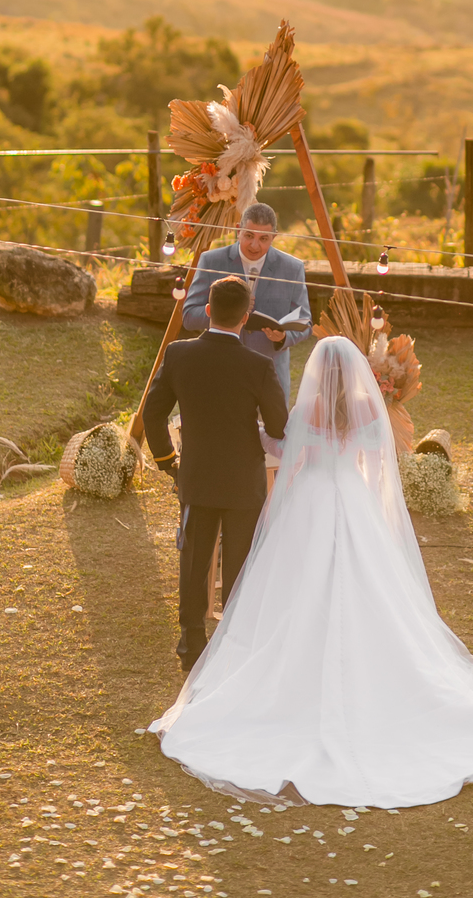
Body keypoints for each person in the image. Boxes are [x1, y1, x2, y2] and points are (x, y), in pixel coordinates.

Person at [150, 335, 473, 808]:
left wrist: (262, 455)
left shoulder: (308, 411)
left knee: (300, 586)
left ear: (318, 371)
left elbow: (288, 457)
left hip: (310, 502)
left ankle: (299, 661)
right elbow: (380, 471)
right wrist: (373, 510)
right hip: (354, 502)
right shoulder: (368, 412)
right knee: (368, 588)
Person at [143, 274, 288, 675]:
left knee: (194, 561)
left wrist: (168, 461)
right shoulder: (259, 366)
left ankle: (191, 644)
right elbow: (278, 426)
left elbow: (152, 414)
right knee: (240, 565)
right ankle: (234, 645)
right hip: (244, 482)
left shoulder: (178, 354)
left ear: (207, 311)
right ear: (245, 319)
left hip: (196, 478)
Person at [183, 203, 311, 400]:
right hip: (221, 373)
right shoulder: (211, 261)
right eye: (249, 236)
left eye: (263, 239)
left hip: (270, 378)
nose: (254, 245)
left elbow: (305, 322)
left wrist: (284, 337)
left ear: (274, 237)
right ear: (238, 230)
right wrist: (228, 308)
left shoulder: (292, 268)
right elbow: (189, 316)